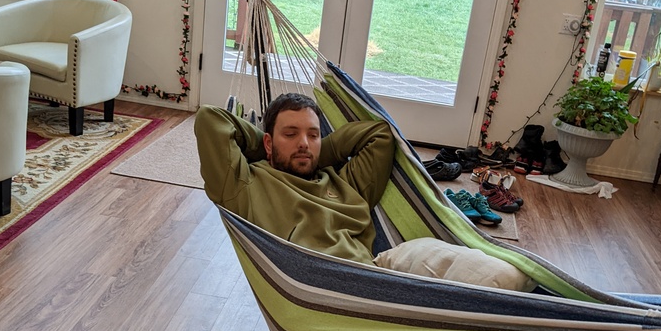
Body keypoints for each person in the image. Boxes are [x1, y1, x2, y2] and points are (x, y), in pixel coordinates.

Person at [195, 93, 534, 291]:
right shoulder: (245, 184)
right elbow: (211, 119)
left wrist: (314, 155)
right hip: (315, 289)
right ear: (267, 141)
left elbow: (379, 135)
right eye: (290, 134)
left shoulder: (344, 183)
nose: (303, 142)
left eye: (313, 135)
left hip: (376, 274)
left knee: (512, 277)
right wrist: (271, 153)